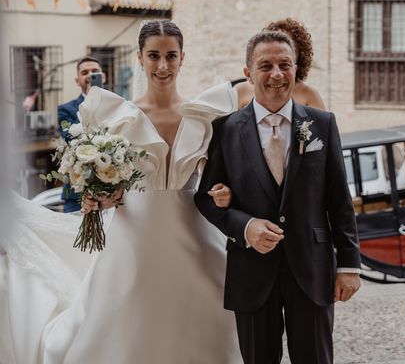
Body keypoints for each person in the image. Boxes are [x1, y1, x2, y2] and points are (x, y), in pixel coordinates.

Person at [0, 20, 242, 364]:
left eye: (171, 56)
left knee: (210, 318)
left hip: (197, 234)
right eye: (154, 56)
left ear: (183, 58)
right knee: (125, 324)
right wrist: (98, 198)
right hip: (134, 239)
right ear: (140, 58)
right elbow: (108, 187)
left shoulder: (205, 114)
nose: (163, 66)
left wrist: (224, 193)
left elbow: (221, 176)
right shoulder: (115, 115)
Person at [194, 29, 361, 364]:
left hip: (311, 268)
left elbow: (338, 198)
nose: (276, 74)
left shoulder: (322, 124)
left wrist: (349, 265)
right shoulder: (224, 130)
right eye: (265, 65)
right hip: (251, 270)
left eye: (285, 64)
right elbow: (206, 198)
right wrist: (245, 226)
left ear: (296, 69)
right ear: (248, 73)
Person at [235, 18, 326, 110]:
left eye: (289, 45)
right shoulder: (241, 90)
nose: (279, 49)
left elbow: (320, 123)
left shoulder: (309, 94)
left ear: (299, 53)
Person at [56, 56, 105, 212]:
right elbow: (72, 139)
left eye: (94, 72)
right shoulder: (65, 109)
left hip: (112, 191)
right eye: (85, 72)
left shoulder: (118, 105)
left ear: (103, 77)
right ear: (77, 80)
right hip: (76, 194)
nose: (90, 75)